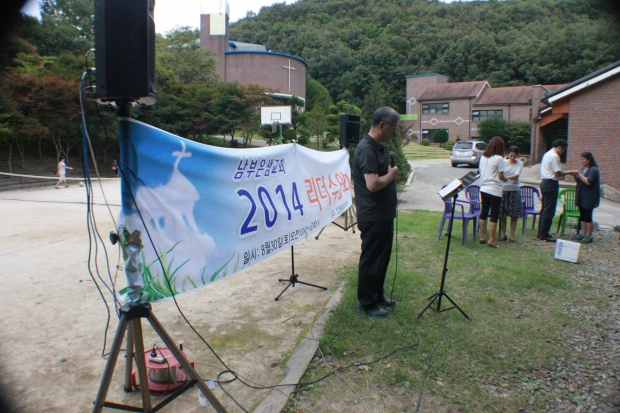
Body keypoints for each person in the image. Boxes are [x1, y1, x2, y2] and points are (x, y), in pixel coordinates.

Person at [352, 107, 400, 318]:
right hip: (373, 215)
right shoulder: (366, 149)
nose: (393, 132)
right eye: (392, 128)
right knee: (372, 260)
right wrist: (391, 175)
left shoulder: (375, 147)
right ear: (382, 125)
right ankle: (367, 303)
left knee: (381, 259)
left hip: (383, 214)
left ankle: (377, 296)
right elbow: (372, 184)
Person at [537, 139, 573, 242]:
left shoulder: (547, 154)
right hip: (551, 183)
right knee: (549, 209)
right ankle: (544, 233)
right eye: (563, 149)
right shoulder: (555, 156)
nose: (563, 152)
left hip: (544, 182)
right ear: (560, 147)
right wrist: (570, 172)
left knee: (544, 208)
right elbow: (557, 173)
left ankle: (540, 231)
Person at [478, 136, 506, 248]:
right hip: (494, 189)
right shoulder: (499, 158)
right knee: (494, 215)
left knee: (483, 213)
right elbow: (500, 176)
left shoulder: (483, 157)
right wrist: (505, 179)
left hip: (484, 188)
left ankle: (482, 236)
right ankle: (491, 240)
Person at [571, 152, 600, 243]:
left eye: (583, 159)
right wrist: (575, 176)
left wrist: (579, 174)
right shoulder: (583, 169)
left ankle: (588, 235)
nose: (581, 161)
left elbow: (588, 181)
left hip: (589, 196)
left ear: (589, 160)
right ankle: (582, 233)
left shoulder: (594, 170)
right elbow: (579, 181)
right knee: (582, 215)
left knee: (587, 216)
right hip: (581, 195)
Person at [498, 146, 524, 242]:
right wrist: (502, 179)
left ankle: (512, 235)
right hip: (503, 189)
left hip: (514, 189)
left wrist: (505, 178)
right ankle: (503, 234)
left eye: (515, 156)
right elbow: (499, 174)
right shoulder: (503, 162)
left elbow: (516, 175)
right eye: (511, 156)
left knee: (514, 213)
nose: (512, 158)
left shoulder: (519, 164)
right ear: (508, 154)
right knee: (502, 213)